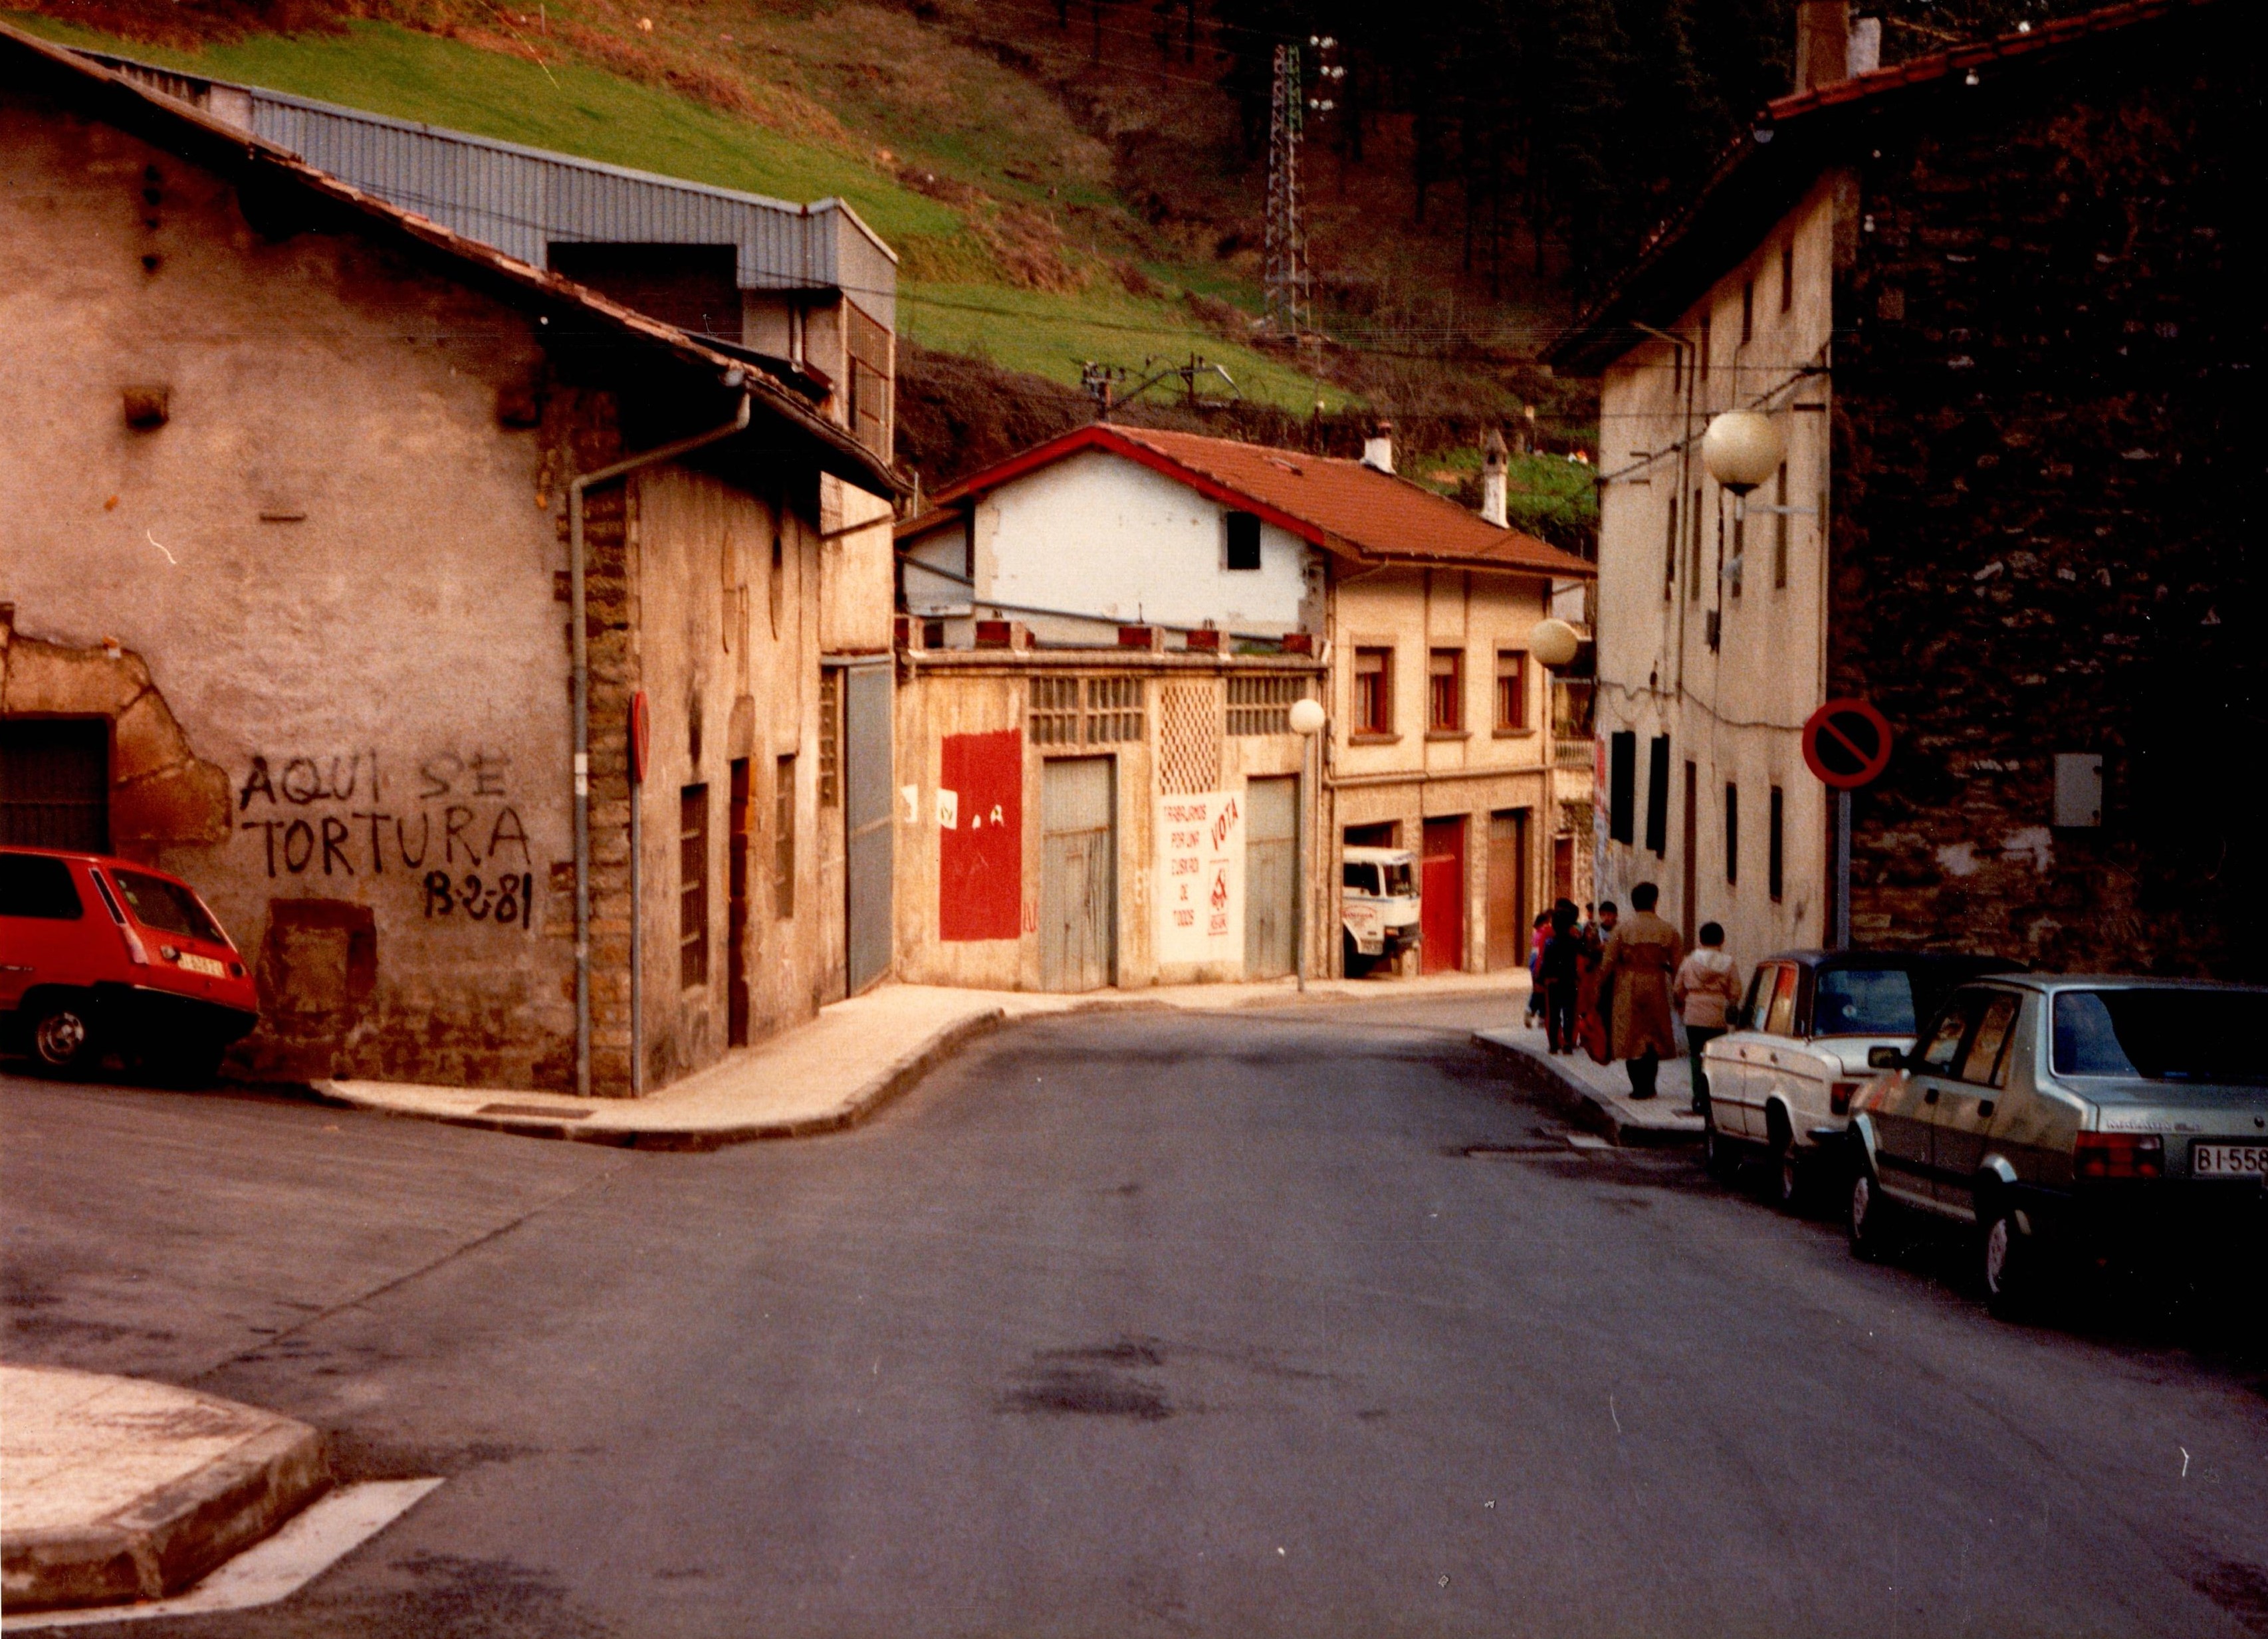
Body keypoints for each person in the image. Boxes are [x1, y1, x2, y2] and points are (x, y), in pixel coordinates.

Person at [1596, 884, 1680, 1099]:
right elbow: (1679, 966)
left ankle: (1637, 1087)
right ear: (1654, 902)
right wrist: (1680, 996)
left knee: (1631, 1036)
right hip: (1656, 984)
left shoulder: (1622, 930)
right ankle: (1650, 1086)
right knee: (1653, 1035)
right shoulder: (1668, 930)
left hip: (1628, 984)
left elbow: (1607, 963)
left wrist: (1596, 987)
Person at [1674, 921, 1744, 1116]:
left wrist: (1683, 1003)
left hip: (1694, 1015)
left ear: (1700, 939)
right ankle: (1713, 1097)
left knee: (1696, 1056)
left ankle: (1698, 1097)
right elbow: (1736, 991)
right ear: (1722, 940)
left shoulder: (1689, 962)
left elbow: (1678, 988)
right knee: (1714, 1058)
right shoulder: (1729, 963)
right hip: (1717, 1017)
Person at [1539, 901, 1584, 1053]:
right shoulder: (1574, 942)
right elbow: (1586, 953)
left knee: (1553, 1014)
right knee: (1569, 1014)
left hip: (1553, 983)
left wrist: (1541, 978)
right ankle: (1568, 1044)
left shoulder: (1550, 943)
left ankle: (1553, 1045)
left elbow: (1545, 964)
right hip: (1570, 982)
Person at [1524, 910, 1553, 1027]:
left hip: (1534, 964)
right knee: (1542, 992)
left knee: (1539, 990)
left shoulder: (1537, 934)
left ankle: (1538, 1014)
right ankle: (1535, 1012)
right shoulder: (1545, 934)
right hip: (1541, 964)